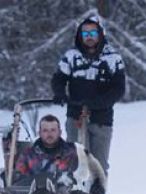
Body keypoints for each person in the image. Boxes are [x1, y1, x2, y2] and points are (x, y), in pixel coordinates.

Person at [51, 15, 125, 174]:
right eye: (85, 34)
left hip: (101, 119)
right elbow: (58, 79)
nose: (89, 37)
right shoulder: (71, 56)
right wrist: (59, 93)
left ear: (100, 34)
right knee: (75, 163)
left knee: (98, 166)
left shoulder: (113, 58)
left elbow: (118, 89)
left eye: (93, 33)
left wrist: (98, 103)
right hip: (75, 116)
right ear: (80, 35)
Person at [12, 114, 77, 189]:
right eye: (45, 130)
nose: (49, 134)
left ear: (60, 132)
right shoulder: (28, 155)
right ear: (39, 133)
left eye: (53, 130)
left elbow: (80, 178)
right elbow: (19, 184)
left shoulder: (71, 153)